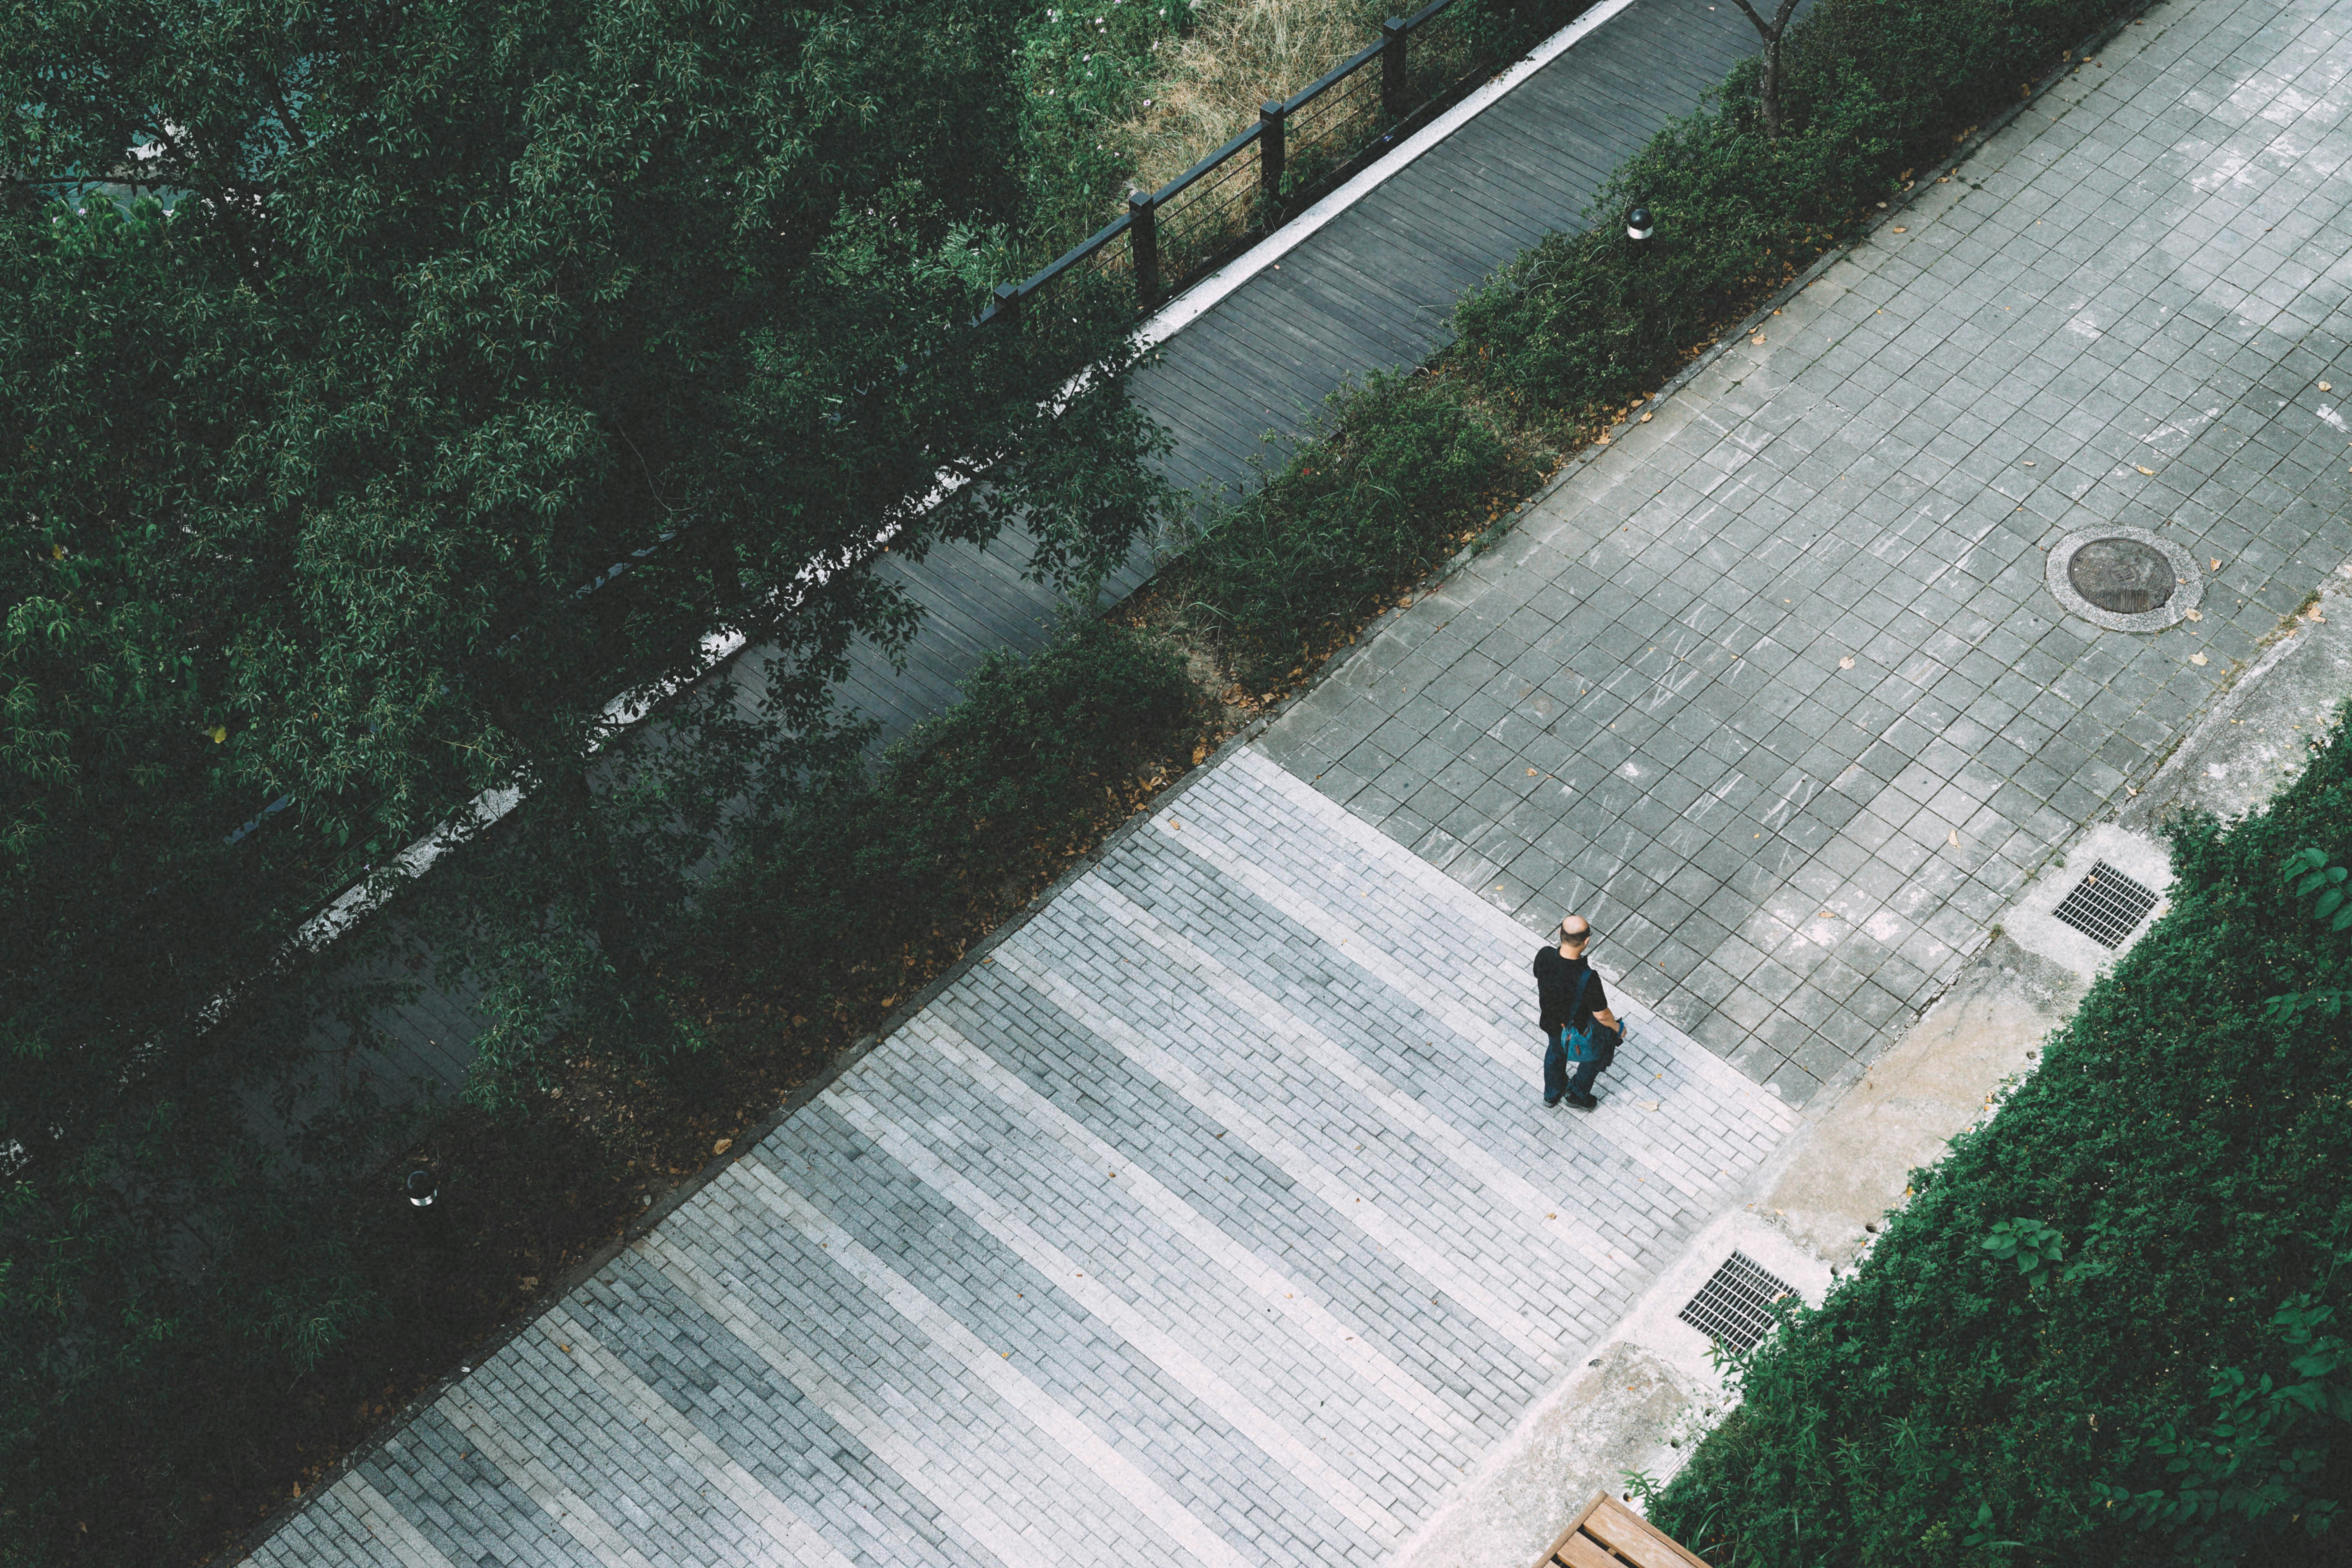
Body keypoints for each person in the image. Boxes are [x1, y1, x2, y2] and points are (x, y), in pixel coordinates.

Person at [1534, 915, 1619, 1110]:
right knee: (1597, 1055)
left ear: (1560, 934)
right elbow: (1602, 1015)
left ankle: (1551, 1095)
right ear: (1587, 941)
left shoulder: (1544, 955)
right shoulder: (1588, 978)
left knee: (1555, 1053)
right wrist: (1617, 1028)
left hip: (1551, 1022)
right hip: (1578, 1029)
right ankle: (1577, 1094)